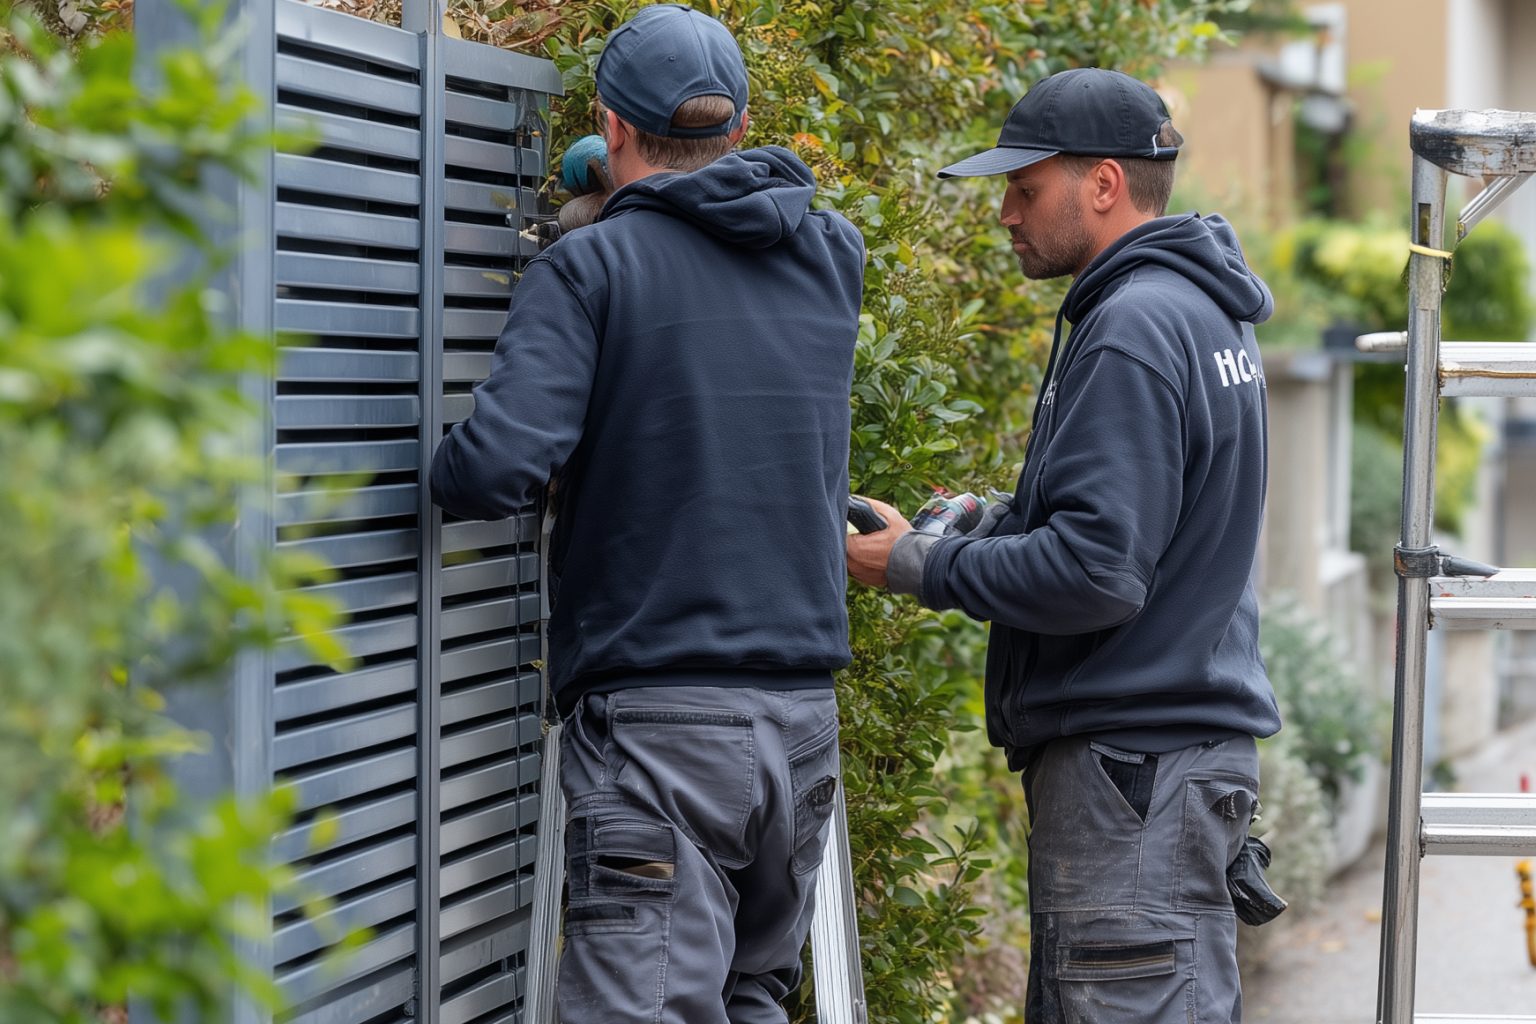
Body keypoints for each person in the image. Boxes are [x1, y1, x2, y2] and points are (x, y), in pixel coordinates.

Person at [429, 6, 865, 1022]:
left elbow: (495, 468)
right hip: (798, 727)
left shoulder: (592, 269)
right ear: (743, 125)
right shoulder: (830, 256)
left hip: (664, 728)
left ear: (610, 126)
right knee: (751, 994)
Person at [845, 67, 1283, 1023]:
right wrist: (998, 517)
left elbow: (1097, 572)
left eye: (1024, 185)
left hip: (1134, 780)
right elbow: (1150, 530)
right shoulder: (1201, 313)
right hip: (1173, 766)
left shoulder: (1130, 327)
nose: (1005, 211)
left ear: (1103, 184)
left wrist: (916, 564)